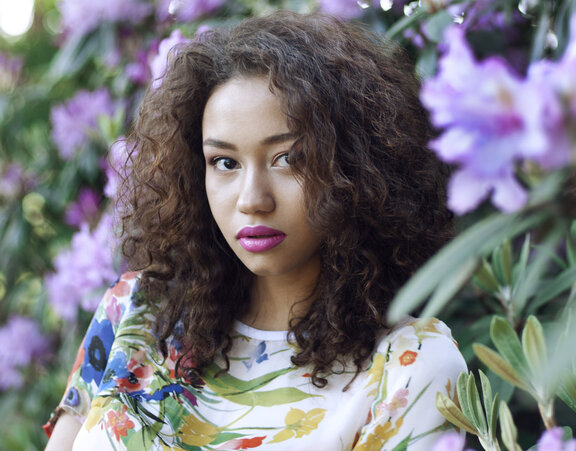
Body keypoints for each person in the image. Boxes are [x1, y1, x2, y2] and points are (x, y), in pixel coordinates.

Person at [44, 11, 467, 450]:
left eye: (289, 158)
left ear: (356, 168)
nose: (252, 199)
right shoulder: (133, 313)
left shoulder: (409, 368)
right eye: (224, 163)